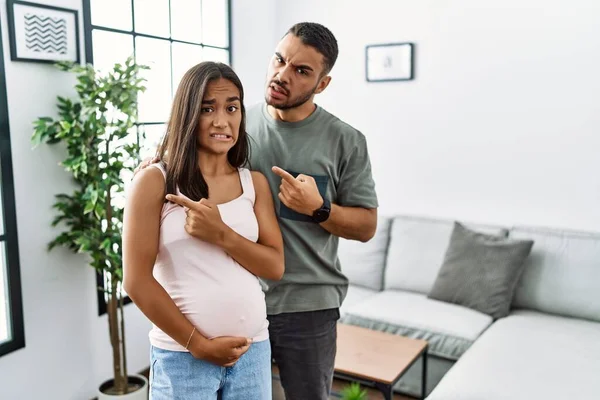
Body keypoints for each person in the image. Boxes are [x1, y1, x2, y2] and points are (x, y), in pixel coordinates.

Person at [137, 22, 378, 400]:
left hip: (306, 303)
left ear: (322, 84)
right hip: (241, 306)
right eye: (280, 60)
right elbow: (182, 154)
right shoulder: (233, 125)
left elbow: (366, 227)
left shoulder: (345, 140)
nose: (283, 75)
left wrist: (318, 209)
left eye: (301, 71)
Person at [122, 61, 284, 400]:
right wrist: (199, 345)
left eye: (232, 107)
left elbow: (274, 266)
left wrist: (221, 234)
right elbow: (136, 281)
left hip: (252, 353)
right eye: (207, 108)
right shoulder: (155, 181)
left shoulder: (253, 183)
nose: (222, 121)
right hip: (182, 358)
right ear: (188, 113)